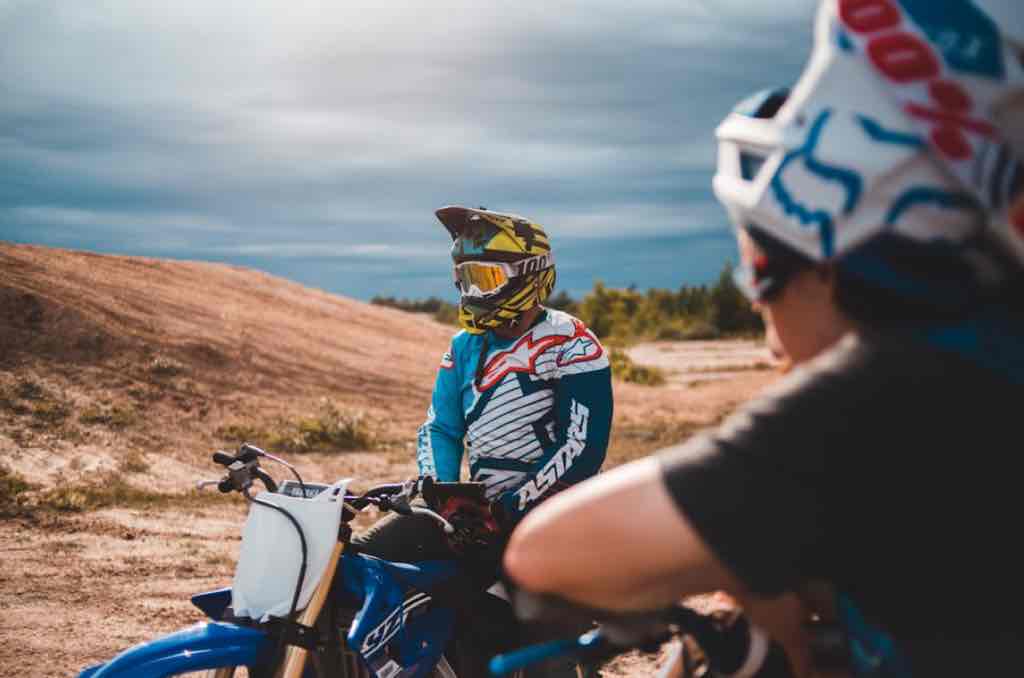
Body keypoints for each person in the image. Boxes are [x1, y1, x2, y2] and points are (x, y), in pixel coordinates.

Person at [504, 1, 1024, 675]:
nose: (759, 310)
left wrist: (749, 580)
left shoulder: (903, 387)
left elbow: (548, 552)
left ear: (830, 263)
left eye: (761, 270)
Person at [353, 205, 613, 674]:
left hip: (553, 518)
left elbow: (581, 448)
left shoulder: (572, 343)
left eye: (485, 279)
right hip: (476, 515)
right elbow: (440, 428)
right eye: (465, 279)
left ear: (530, 274)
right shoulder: (463, 346)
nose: (472, 293)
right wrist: (440, 494)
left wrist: (509, 507)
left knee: (536, 647)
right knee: (363, 564)